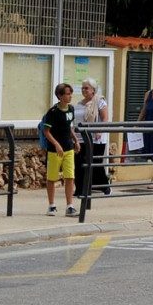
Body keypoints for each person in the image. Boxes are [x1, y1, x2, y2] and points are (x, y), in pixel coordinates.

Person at [44, 83, 81, 217]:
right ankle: (51, 205)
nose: (70, 96)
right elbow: (46, 131)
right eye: (67, 93)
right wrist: (56, 144)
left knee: (70, 176)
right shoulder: (53, 112)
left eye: (71, 93)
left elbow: (70, 127)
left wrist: (76, 140)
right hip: (55, 150)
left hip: (68, 148)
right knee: (52, 178)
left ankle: (69, 206)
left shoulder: (71, 109)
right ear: (60, 96)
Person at [74, 77, 111, 200]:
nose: (84, 90)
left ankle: (104, 186)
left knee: (94, 162)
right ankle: (80, 188)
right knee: (79, 163)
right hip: (81, 138)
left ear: (93, 90)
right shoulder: (79, 104)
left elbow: (105, 118)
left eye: (86, 88)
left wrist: (99, 130)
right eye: (83, 88)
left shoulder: (99, 101)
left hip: (96, 138)